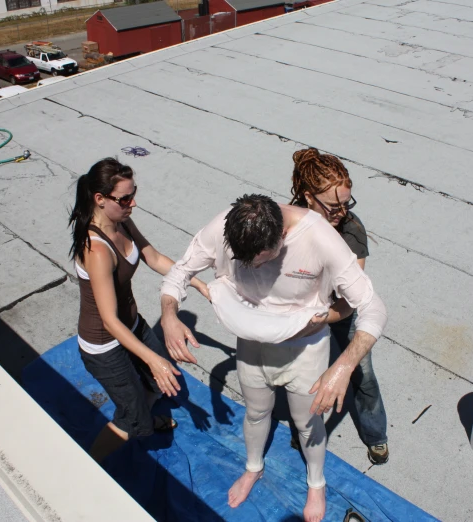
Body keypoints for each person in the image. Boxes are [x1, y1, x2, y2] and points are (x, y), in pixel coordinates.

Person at [160, 194, 387, 522]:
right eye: (244, 260)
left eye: (261, 261)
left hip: (305, 348)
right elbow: (179, 272)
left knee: (307, 423)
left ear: (280, 237)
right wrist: (169, 314)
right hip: (251, 343)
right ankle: (253, 468)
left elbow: (373, 305)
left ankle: (316, 482)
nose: (253, 268)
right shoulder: (225, 226)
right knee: (255, 413)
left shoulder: (320, 238)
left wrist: (344, 365)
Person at [69, 158, 209, 463]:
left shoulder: (121, 220)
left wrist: (197, 283)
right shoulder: (97, 250)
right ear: (100, 199)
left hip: (132, 326)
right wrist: (153, 359)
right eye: (125, 198)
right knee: (133, 416)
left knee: (160, 383)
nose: (133, 203)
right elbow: (108, 320)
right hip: (104, 344)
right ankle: (89, 469)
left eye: (134, 194)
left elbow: (154, 257)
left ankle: (142, 416)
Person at [289, 148, 389, 465]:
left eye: (347, 203)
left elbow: (350, 302)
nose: (342, 212)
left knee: (362, 376)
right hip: (301, 314)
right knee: (303, 380)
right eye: (333, 205)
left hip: (335, 316)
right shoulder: (286, 220)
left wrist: (320, 318)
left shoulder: (351, 230)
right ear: (307, 197)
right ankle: (304, 430)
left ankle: (376, 436)